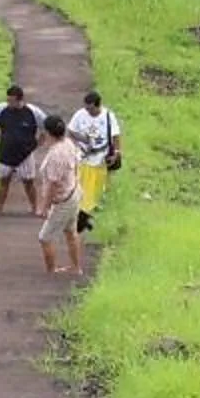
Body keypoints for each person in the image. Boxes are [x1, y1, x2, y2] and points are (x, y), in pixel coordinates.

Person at [31, 110, 85, 277]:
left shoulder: (55, 155)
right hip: (73, 192)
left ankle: (52, 272)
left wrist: (43, 207)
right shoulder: (69, 143)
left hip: (63, 199)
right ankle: (76, 268)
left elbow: (52, 184)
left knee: (45, 237)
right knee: (70, 231)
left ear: (47, 132)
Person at [65, 88, 121, 232]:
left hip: (100, 159)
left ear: (97, 105)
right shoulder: (80, 114)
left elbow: (115, 136)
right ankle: (81, 217)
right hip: (83, 158)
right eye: (86, 108)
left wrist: (116, 153)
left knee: (96, 190)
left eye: (90, 109)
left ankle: (84, 216)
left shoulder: (108, 116)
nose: (87, 111)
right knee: (81, 188)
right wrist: (81, 141)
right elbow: (71, 131)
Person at [0, 83, 40, 214]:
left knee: (29, 182)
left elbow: (46, 123)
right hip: (5, 153)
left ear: (20, 99)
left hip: (25, 154)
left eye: (11, 101)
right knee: (3, 181)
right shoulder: (1, 109)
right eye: (7, 100)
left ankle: (35, 208)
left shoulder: (32, 111)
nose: (8, 103)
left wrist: (38, 142)